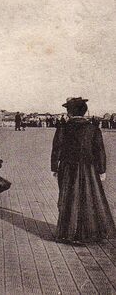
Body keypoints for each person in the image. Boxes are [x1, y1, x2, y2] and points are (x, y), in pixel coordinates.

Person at [51, 97, 116, 244]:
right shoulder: (93, 128)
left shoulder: (63, 128)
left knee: (68, 198)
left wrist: (54, 167)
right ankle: (89, 233)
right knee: (89, 198)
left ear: (70, 112)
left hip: (68, 168)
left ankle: (68, 233)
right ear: (84, 112)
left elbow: (57, 148)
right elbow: (100, 151)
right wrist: (102, 170)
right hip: (89, 169)